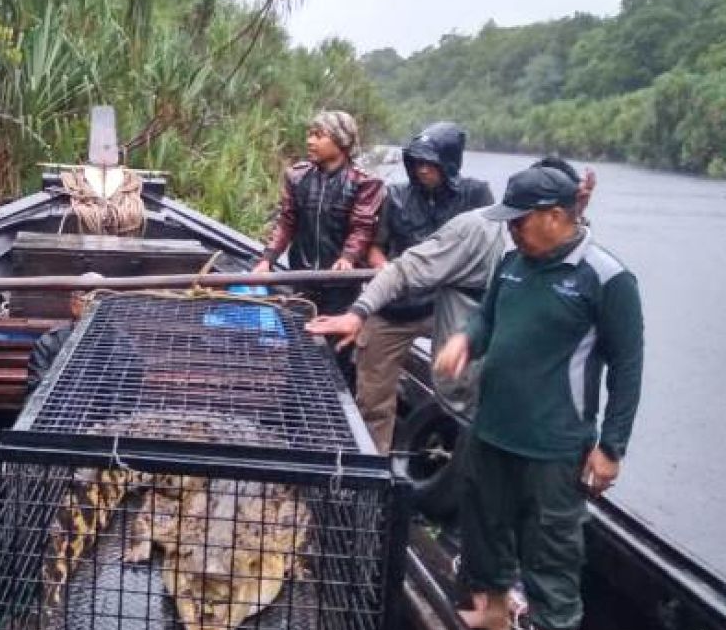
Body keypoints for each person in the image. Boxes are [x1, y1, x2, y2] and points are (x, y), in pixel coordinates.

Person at [434, 165, 644, 630]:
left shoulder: (605, 277)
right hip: (494, 426)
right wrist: (466, 340)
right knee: (484, 520)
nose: (511, 231)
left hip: (554, 440)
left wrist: (611, 446)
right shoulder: (512, 263)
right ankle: (498, 611)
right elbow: (488, 319)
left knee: (551, 544)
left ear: (556, 216)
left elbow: (627, 366)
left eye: (520, 222)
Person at [308, 157, 595, 420]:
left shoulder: (575, 249)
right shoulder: (476, 229)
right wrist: (358, 312)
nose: (516, 231)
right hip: (469, 380)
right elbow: (404, 269)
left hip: (527, 393)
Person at [354, 122, 493, 453]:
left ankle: (456, 456)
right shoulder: (397, 196)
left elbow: (502, 239)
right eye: (417, 162)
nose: (423, 170)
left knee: (465, 380)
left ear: (449, 165)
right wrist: (384, 269)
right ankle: (375, 462)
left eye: (430, 163)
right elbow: (376, 246)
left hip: (444, 306)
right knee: (372, 397)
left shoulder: (476, 196)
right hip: (396, 305)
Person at [253, 109, 384, 314]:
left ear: (341, 141)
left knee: (335, 341)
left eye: (318, 135)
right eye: (310, 134)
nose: (310, 141)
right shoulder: (297, 176)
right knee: (298, 334)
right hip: (301, 276)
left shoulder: (364, 182)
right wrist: (266, 260)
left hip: (341, 283)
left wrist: (348, 257)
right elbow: (286, 222)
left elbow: (362, 227)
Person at [25, 275, 100, 395]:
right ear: (73, 304)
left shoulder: (119, 343)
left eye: (96, 298)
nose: (90, 304)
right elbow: (37, 387)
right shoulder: (49, 341)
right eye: (83, 298)